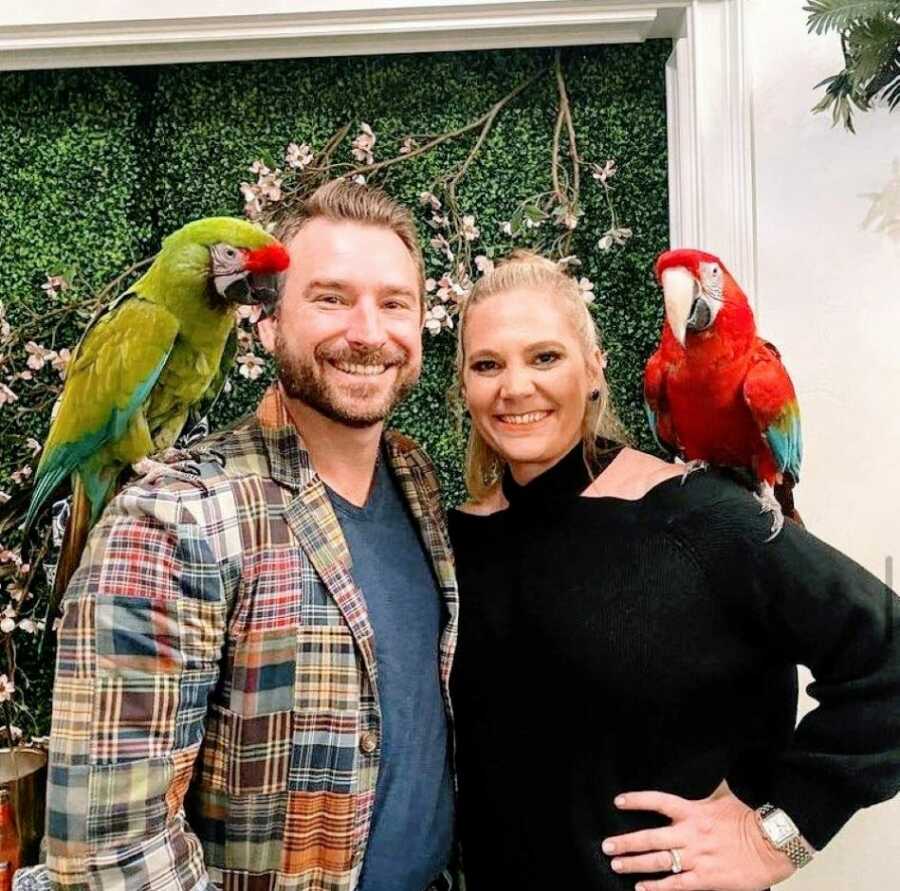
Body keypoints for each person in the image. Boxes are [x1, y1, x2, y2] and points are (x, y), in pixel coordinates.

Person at [39, 180, 457, 891]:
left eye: (394, 303)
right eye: (329, 298)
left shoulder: (416, 481)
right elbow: (108, 858)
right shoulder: (172, 520)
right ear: (265, 322)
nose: (367, 331)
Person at [447, 250, 900, 891]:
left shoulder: (699, 516)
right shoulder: (455, 542)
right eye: (487, 364)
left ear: (595, 367)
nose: (515, 387)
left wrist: (778, 837)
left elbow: (891, 657)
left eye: (545, 357)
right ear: (465, 384)